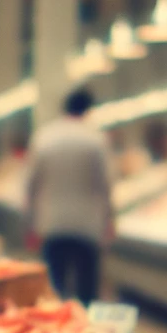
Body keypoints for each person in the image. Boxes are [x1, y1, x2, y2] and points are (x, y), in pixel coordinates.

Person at [26, 88, 114, 305]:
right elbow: (106, 185)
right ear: (89, 110)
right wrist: (110, 221)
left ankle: (57, 324)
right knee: (87, 291)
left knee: (54, 289)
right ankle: (86, 324)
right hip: (87, 226)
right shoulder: (96, 140)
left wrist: (30, 224)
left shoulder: (44, 137)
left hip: (52, 224)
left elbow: (31, 184)